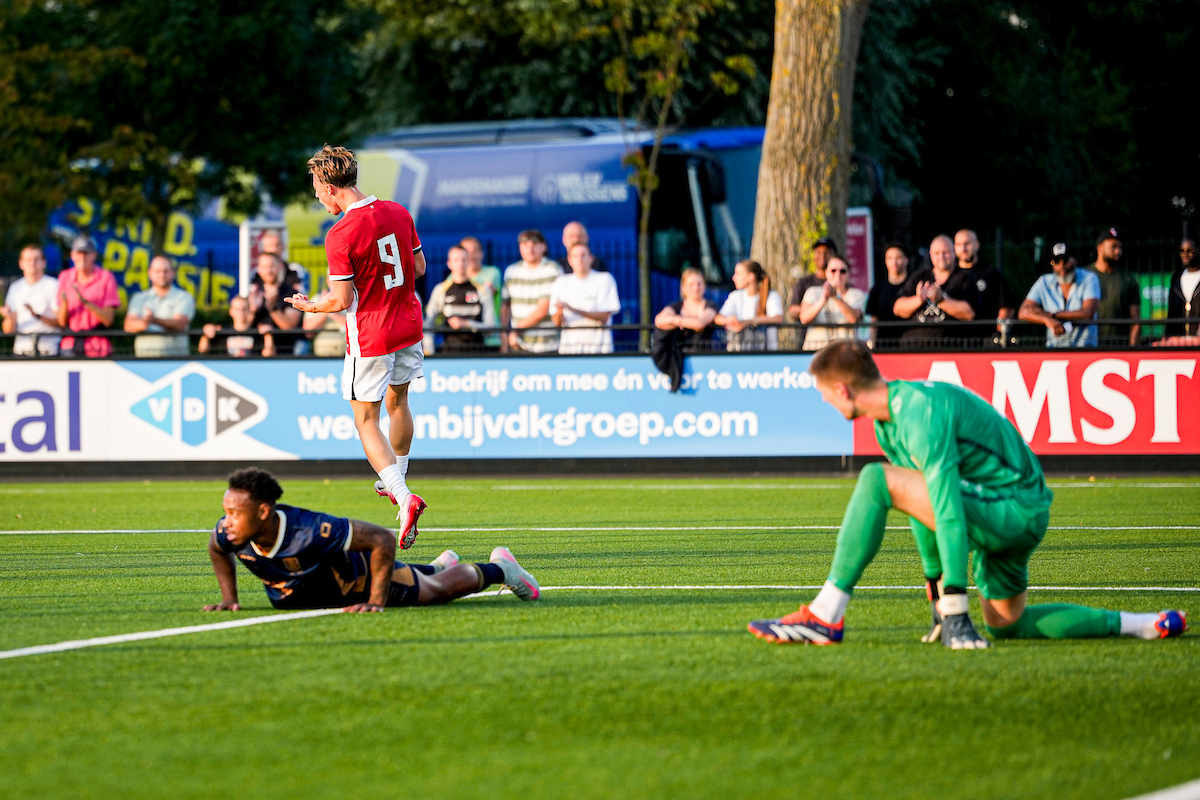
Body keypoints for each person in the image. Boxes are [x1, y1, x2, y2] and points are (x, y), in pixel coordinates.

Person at [747, 339, 1188, 648]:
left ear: (842, 389)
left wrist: (955, 600)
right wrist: (936, 590)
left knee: (875, 480)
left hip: (1013, 509)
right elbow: (924, 511)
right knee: (1006, 624)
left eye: (824, 395)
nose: (825, 402)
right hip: (1012, 511)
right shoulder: (890, 422)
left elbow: (946, 506)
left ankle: (826, 614)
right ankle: (1142, 625)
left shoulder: (917, 413)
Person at [284, 145, 428, 548]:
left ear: (330, 187)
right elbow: (417, 269)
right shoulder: (399, 211)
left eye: (315, 187)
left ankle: (403, 495)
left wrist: (309, 305)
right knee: (399, 404)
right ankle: (398, 477)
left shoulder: (342, 233)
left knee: (366, 420)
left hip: (372, 334)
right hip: (408, 325)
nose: (315, 196)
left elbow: (341, 300)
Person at [202, 468, 539, 613]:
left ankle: (501, 569)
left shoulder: (309, 529)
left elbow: (380, 539)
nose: (226, 522)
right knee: (425, 578)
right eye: (225, 512)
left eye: (235, 513)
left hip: (363, 580)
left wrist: (376, 601)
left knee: (435, 593)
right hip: (327, 590)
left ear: (263, 512)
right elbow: (217, 549)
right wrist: (230, 598)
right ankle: (435, 567)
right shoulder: (230, 533)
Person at [892, 235, 981, 345]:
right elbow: (898, 308)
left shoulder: (965, 278)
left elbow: (969, 313)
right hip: (914, 347)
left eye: (945, 252)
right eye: (937, 253)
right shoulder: (919, 276)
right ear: (930, 255)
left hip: (951, 347)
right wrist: (919, 300)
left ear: (954, 252)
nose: (941, 257)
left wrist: (941, 300)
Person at [1019, 243, 1101, 348]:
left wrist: (1053, 315)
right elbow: (1023, 312)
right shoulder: (1044, 282)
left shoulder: (1089, 278)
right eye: (1056, 262)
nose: (1061, 266)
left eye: (1066, 261)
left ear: (1075, 260)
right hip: (1054, 348)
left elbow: (1088, 312)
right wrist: (1046, 320)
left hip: (1084, 349)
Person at [550, 242, 621, 354]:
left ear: (591, 259)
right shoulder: (561, 282)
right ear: (569, 260)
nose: (579, 259)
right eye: (575, 256)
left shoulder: (604, 279)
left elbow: (604, 317)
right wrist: (559, 313)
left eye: (583, 255)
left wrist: (572, 309)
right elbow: (557, 323)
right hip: (569, 350)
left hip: (599, 349)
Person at [56, 234, 120, 357]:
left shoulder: (105, 277)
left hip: (98, 346)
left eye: (86, 253)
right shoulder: (65, 277)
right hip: (70, 344)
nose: (82, 257)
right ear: (72, 255)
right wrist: (64, 303)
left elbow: (108, 320)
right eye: (79, 253)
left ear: (94, 255)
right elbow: (62, 322)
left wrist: (85, 302)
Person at [424, 244, 496, 353]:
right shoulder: (440, 290)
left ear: (469, 262)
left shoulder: (483, 290)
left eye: (463, 260)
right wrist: (429, 352)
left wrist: (466, 324)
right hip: (449, 356)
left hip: (478, 354)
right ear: (449, 264)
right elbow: (428, 325)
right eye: (456, 260)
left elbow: (491, 329)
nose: (460, 264)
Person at [501, 229, 562, 353]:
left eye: (534, 244)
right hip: (518, 345)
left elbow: (543, 310)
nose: (530, 249)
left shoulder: (552, 269)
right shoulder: (511, 271)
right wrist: (504, 336)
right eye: (525, 245)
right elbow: (505, 306)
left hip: (547, 345)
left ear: (543, 247)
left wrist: (516, 330)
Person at [123, 256, 196, 357]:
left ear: (173, 273)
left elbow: (179, 324)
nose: (162, 275)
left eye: (166, 271)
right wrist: (144, 323)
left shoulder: (184, 297)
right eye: (157, 271)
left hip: (176, 362)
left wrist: (153, 320)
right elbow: (128, 325)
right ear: (150, 273)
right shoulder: (139, 298)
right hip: (143, 362)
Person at [954, 228, 1016, 343]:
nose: (963, 249)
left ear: (976, 245)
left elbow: (1006, 306)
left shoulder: (991, 274)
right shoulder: (951, 275)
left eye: (967, 243)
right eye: (959, 244)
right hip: (954, 340)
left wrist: (998, 335)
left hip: (985, 339)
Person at [1083, 228, 1141, 346]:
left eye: (1120, 247)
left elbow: (1135, 320)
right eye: (1113, 247)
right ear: (1099, 248)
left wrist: (1132, 348)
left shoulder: (1128, 279)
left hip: (1119, 346)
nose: (1118, 251)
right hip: (1088, 346)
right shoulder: (1084, 276)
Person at [1, 244, 61, 356]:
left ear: (44, 262)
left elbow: (61, 323)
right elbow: (8, 330)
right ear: (21, 263)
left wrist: (37, 315)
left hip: (49, 351)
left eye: (36, 259)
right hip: (22, 351)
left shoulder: (54, 285)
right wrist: (9, 317)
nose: (32, 263)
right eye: (28, 260)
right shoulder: (15, 288)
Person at [798, 256, 866, 351]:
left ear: (848, 274)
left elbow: (853, 318)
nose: (837, 274)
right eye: (833, 270)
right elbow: (804, 318)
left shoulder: (856, 294)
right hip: (816, 351)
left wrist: (835, 296)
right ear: (826, 273)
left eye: (842, 271)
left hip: (846, 353)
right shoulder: (813, 292)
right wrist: (823, 300)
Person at [716, 259, 784, 351]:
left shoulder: (771, 295)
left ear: (750, 277)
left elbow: (777, 318)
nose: (734, 278)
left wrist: (749, 322)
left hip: (766, 353)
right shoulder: (735, 296)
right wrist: (727, 320)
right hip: (740, 351)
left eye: (738, 274)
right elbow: (718, 318)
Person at [654, 267, 721, 351]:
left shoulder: (711, 305)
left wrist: (674, 321)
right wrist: (679, 321)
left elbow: (700, 323)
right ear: (683, 287)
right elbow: (659, 320)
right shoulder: (676, 306)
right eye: (691, 285)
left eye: (699, 284)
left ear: (704, 286)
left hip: (702, 356)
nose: (695, 288)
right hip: (678, 358)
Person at [249, 252, 303, 354]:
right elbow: (243, 326)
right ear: (259, 270)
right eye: (264, 267)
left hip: (284, 354)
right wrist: (252, 310)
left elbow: (290, 326)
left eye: (272, 266)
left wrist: (272, 307)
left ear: (280, 267)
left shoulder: (291, 294)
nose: (268, 271)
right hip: (255, 355)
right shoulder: (254, 294)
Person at [459, 235, 503, 348]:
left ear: (482, 254)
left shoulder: (493, 273)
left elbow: (481, 295)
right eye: (466, 252)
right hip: (463, 341)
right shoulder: (451, 279)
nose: (471, 256)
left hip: (490, 340)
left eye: (474, 251)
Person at [864, 242, 911, 347]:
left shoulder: (914, 286)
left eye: (898, 257)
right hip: (883, 345)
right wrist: (873, 343)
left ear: (906, 260)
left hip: (909, 344)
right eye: (889, 258)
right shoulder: (877, 289)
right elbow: (873, 320)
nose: (894, 262)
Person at [786, 236, 838, 323]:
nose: (823, 256)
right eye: (818, 252)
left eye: (827, 253)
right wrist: (814, 309)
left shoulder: (840, 282)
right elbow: (793, 310)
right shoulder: (804, 283)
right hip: (810, 334)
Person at [198, 295, 265, 356]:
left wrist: (267, 334)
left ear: (249, 310)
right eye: (237, 309)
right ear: (231, 311)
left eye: (244, 309)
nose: (240, 313)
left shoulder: (257, 333)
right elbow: (203, 350)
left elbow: (268, 353)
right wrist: (206, 334)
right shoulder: (223, 332)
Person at [1164, 238, 1199, 339]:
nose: (1185, 254)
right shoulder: (1177, 277)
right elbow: (1171, 312)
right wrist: (1168, 336)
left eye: (1190, 250)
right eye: (1182, 250)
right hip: (1179, 340)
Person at [302, 289, 349, 357]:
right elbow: (308, 331)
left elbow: (356, 326)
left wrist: (331, 311)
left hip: (344, 354)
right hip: (321, 355)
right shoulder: (317, 298)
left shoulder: (350, 297)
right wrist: (326, 309)